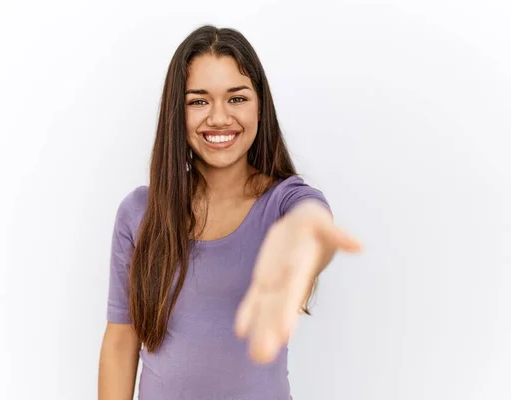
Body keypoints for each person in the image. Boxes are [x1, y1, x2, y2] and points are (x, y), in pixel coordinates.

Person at [98, 25, 362, 400]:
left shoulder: (284, 202)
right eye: (199, 101)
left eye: (236, 99)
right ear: (178, 112)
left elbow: (311, 224)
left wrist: (303, 238)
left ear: (259, 106)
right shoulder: (139, 213)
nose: (219, 118)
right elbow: (121, 341)